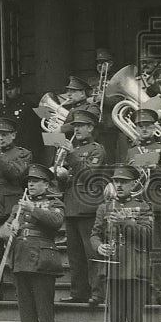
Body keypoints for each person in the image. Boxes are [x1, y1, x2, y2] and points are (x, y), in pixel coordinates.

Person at [92, 164, 154, 322]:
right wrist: (99, 246)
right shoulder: (104, 207)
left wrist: (126, 222)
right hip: (113, 268)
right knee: (116, 318)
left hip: (136, 268)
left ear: (133, 184)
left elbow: (148, 236)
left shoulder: (143, 207)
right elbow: (94, 234)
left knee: (135, 318)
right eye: (116, 181)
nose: (118, 185)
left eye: (123, 182)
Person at [8, 164, 65, 322]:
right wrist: (9, 229)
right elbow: (6, 230)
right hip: (21, 258)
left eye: (35, 181)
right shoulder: (18, 206)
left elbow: (56, 221)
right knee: (26, 311)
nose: (31, 184)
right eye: (29, 182)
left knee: (44, 310)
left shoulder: (53, 202)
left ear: (46, 184)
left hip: (42, 259)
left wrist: (33, 209)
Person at [126, 107, 161, 307]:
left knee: (156, 253)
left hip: (155, 206)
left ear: (154, 127)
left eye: (147, 125)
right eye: (140, 126)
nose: (143, 129)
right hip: (138, 206)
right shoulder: (131, 151)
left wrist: (156, 169)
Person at [0, 116, 32, 303]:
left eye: (4, 135)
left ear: (14, 135)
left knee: (16, 251)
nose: (0, 138)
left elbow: (16, 173)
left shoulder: (22, 153)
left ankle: (22, 291)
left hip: (11, 206)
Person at [61, 107, 107, 306]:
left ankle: (98, 292)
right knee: (75, 255)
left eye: (80, 126)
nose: (76, 130)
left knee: (92, 253)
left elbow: (89, 174)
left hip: (88, 206)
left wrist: (70, 156)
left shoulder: (97, 149)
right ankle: (78, 291)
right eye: (75, 126)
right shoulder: (72, 149)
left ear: (90, 127)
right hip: (71, 206)